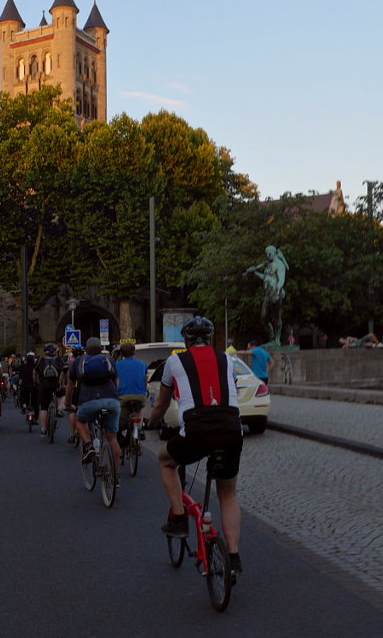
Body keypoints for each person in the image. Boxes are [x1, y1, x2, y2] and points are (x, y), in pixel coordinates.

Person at [147, 316, 243, 578]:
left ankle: (179, 518)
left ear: (186, 341)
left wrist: (151, 424)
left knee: (166, 460)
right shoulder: (227, 360)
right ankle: (233, 557)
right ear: (211, 339)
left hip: (197, 431)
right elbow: (229, 392)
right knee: (228, 495)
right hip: (232, 431)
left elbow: (162, 405)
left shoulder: (174, 362)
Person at [65, 337, 120, 472]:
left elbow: (70, 386)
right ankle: (116, 475)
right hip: (111, 401)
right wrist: (115, 397)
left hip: (88, 400)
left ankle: (89, 445)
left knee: (79, 420)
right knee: (112, 438)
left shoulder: (78, 362)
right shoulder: (109, 360)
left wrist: (68, 404)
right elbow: (115, 382)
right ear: (101, 349)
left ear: (85, 350)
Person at [245, 245, 289, 346]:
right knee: (264, 317)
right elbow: (265, 277)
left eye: (270, 253)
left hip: (275, 293)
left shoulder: (279, 264)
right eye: (267, 254)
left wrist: (278, 290)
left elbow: (281, 280)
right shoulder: (268, 264)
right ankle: (272, 337)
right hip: (268, 294)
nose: (268, 255)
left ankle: (277, 340)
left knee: (276, 317)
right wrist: (254, 272)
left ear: (274, 253)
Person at [115, 342, 148, 449]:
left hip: (123, 396)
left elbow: (116, 381)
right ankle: (140, 428)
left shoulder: (117, 365)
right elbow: (145, 378)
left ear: (122, 354)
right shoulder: (143, 363)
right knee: (139, 408)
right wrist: (144, 390)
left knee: (121, 418)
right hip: (140, 395)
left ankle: (121, 442)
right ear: (134, 352)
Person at [34, 343, 66, 437]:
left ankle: (43, 429)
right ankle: (60, 408)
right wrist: (64, 383)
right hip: (57, 384)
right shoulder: (60, 360)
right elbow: (65, 371)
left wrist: (36, 382)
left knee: (43, 407)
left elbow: (34, 372)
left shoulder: (40, 360)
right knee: (61, 395)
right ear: (55, 351)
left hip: (44, 385)